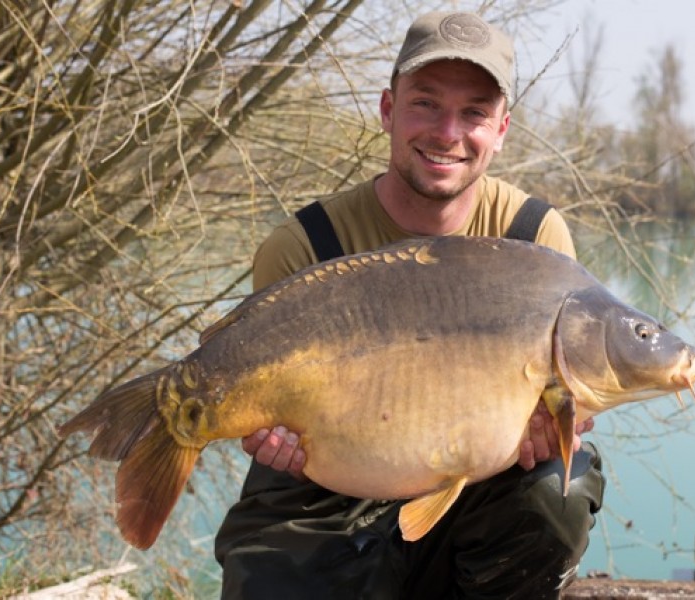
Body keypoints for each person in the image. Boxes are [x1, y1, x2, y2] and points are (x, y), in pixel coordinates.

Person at [215, 11, 605, 599]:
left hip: (477, 487)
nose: (448, 132)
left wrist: (554, 429)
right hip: (329, 491)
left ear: (501, 130)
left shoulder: (534, 238)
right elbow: (268, 406)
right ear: (388, 110)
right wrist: (276, 439)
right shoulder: (303, 246)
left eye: (474, 112)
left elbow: (557, 397)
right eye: (425, 103)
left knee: (560, 487)